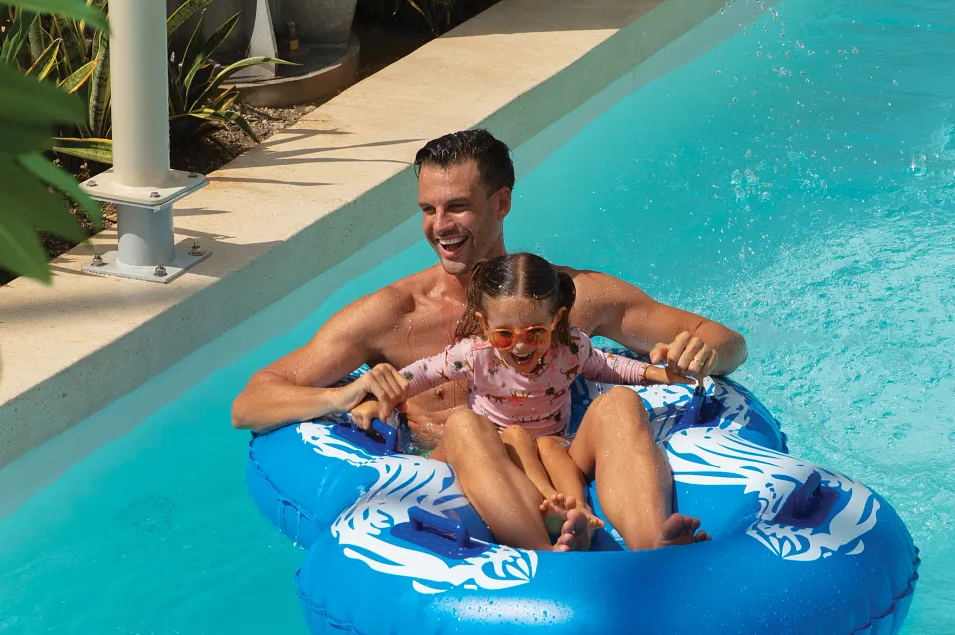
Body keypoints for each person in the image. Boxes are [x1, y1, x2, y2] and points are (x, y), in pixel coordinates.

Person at [229, 128, 746, 552]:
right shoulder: (394, 315)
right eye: (428, 210)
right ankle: (552, 559)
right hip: (459, 489)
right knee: (465, 424)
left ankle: (654, 551)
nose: (440, 227)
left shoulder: (568, 298)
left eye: (457, 207)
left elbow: (723, 340)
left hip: (558, 463)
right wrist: (341, 397)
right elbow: (250, 403)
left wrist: (701, 353)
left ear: (501, 203)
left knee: (620, 406)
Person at [348, 252, 699, 552]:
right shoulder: (474, 355)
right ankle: (545, 550)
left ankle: (653, 544)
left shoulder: (570, 348)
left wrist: (659, 374)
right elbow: (420, 374)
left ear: (556, 320)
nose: (520, 346)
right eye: (504, 335)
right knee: (464, 424)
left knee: (619, 402)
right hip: (498, 457)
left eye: (535, 333)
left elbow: (608, 366)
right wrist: (379, 399)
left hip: (555, 452)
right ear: (485, 327)